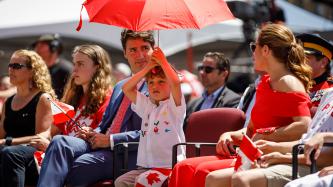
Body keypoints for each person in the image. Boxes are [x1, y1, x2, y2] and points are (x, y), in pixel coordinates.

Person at [169, 23, 313, 187]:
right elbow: (252, 130)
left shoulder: (288, 82)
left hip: (270, 156)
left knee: (203, 171)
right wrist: (230, 135)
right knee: (184, 167)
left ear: (265, 50)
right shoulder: (266, 83)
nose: (252, 52)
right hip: (251, 153)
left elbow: (304, 125)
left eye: (254, 47)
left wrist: (268, 135)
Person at [37, 29, 155, 187]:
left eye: (145, 48)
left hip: (128, 153)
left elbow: (155, 132)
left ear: (153, 50)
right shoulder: (120, 86)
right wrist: (93, 132)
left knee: (76, 165)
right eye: (133, 49)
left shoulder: (158, 86)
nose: (140, 55)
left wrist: (110, 140)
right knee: (60, 142)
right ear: (125, 53)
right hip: (100, 143)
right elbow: (106, 124)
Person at [115, 47, 186, 187]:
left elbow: (176, 83)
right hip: (145, 167)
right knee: (120, 182)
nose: (155, 86)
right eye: (151, 82)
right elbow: (126, 88)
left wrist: (163, 62)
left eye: (161, 82)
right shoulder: (147, 105)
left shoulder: (174, 105)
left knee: (143, 181)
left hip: (169, 167)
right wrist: (148, 68)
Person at [32, 44, 112, 155]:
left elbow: (97, 142)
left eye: (80, 64)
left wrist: (50, 146)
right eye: (75, 64)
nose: (74, 69)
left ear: (97, 67)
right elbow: (51, 131)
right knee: (16, 153)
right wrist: (38, 139)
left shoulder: (108, 100)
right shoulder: (73, 98)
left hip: (81, 158)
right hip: (59, 153)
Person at [0, 49, 55, 187]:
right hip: (8, 148)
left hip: (31, 151)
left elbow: (41, 137)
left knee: (10, 153)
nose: (11, 69)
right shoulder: (9, 101)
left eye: (17, 66)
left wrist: (8, 141)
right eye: (10, 65)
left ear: (32, 71)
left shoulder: (43, 98)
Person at [185, 52, 240, 129]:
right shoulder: (192, 104)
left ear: (224, 74)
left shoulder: (233, 101)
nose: (202, 73)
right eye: (201, 68)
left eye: (208, 69)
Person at [296, 33, 333, 107]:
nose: (299, 62)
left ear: (323, 62)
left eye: (306, 58)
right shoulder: (294, 84)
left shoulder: (331, 91)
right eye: (299, 57)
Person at [33, 34, 73, 98]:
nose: (36, 49)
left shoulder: (67, 69)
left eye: (41, 45)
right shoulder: (36, 69)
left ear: (54, 48)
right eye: (36, 46)